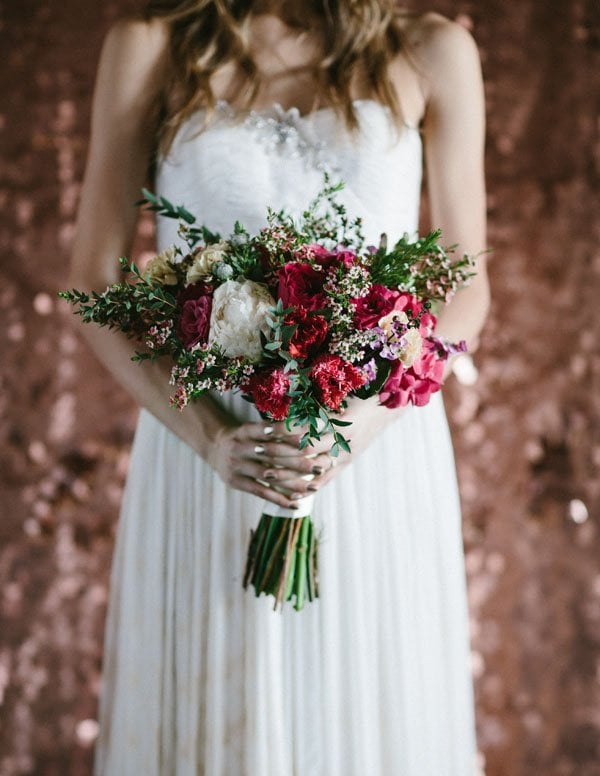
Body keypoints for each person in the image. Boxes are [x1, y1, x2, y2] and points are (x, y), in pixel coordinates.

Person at [69, 1, 490, 773]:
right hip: (211, 442)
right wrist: (211, 439)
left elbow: (467, 289)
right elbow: (94, 282)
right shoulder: (152, 46)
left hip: (372, 438)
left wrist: (356, 428)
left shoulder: (431, 49)